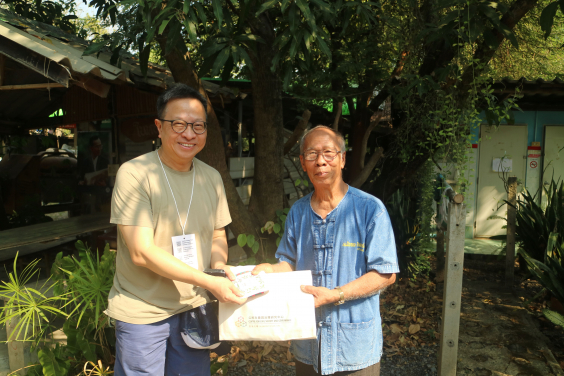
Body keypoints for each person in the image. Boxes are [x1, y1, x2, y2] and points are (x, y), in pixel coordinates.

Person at [106, 84, 246, 376]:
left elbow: (218, 235)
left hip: (193, 309)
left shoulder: (211, 178)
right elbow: (141, 252)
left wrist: (219, 269)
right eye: (179, 124)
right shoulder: (135, 174)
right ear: (159, 127)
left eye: (198, 126)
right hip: (143, 313)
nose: (189, 134)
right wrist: (209, 282)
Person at [253, 125, 399, 376]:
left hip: (354, 348)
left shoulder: (369, 209)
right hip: (308, 342)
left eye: (329, 153)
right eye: (311, 154)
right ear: (302, 162)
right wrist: (271, 269)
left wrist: (336, 294)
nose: (321, 161)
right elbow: (287, 261)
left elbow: (385, 274)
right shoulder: (298, 212)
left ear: (342, 159)